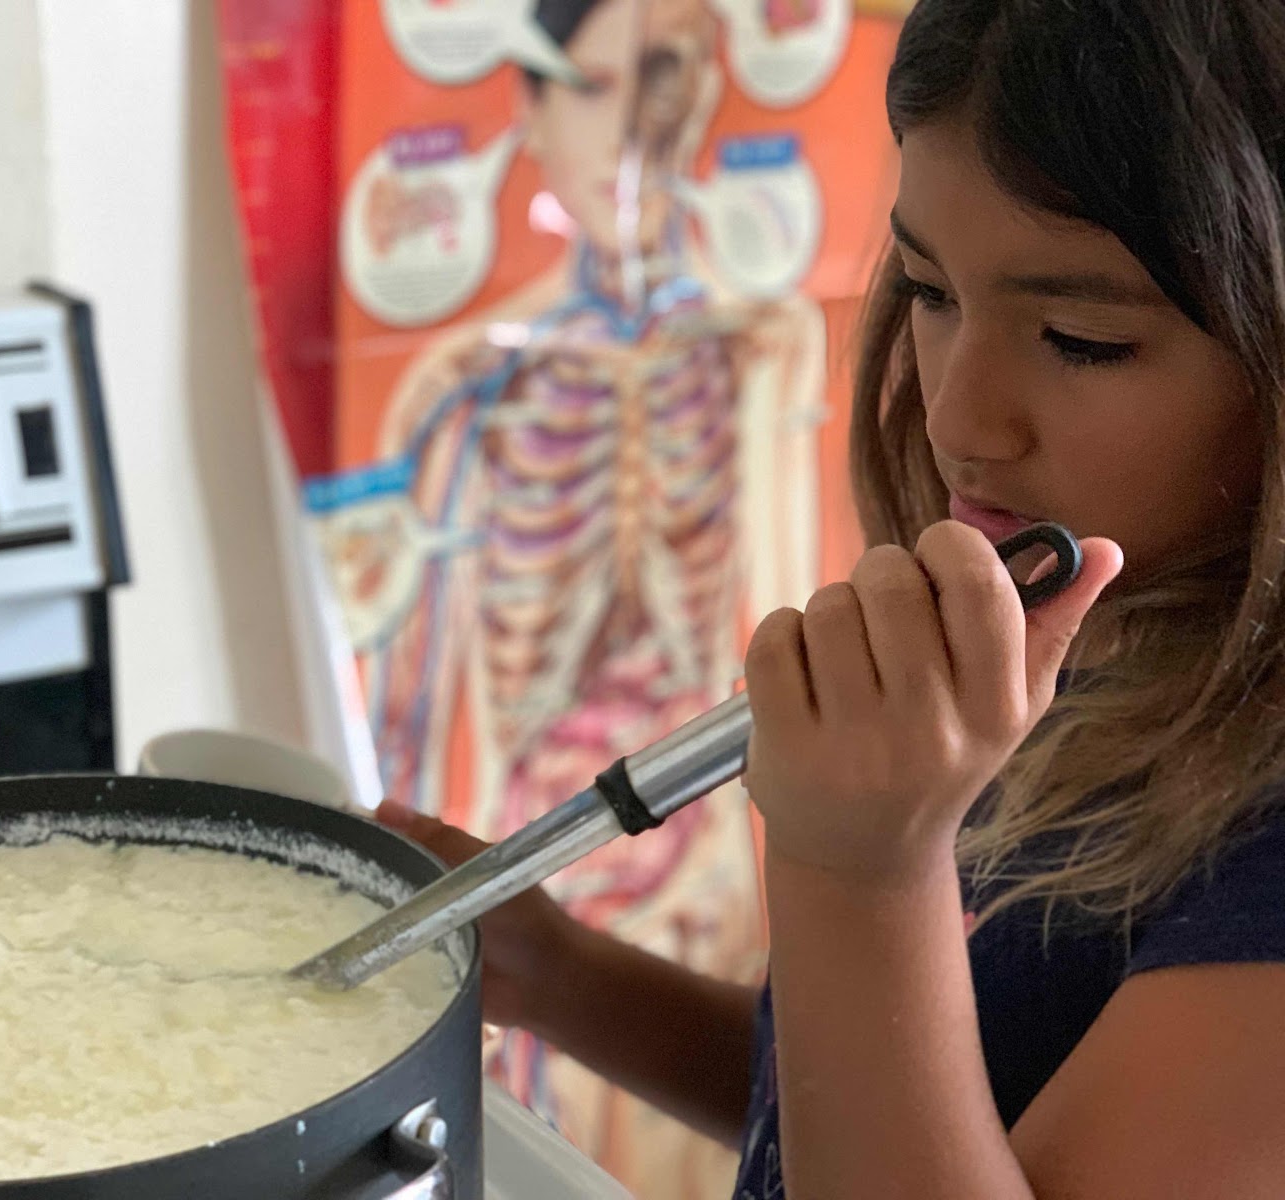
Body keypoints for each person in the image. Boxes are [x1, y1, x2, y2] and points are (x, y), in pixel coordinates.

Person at [376, 0, 1285, 1195]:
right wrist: (562, 978)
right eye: (929, 291)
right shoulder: (1097, 636)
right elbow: (864, 1098)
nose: (958, 419)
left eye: (1077, 338)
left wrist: (862, 869)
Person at [317, 0, 825, 1186]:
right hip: (532, 880)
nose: (639, 125)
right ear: (530, 111)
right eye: (595, 85)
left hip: (711, 888)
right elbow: (405, 709)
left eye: (669, 76)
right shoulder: (461, 388)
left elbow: (793, 642)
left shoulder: (763, 353)